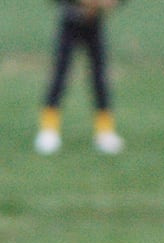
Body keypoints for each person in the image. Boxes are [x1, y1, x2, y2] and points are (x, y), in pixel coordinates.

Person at [35, 0, 127, 155]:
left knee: (100, 77)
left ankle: (105, 132)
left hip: (94, 23)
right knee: (60, 75)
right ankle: (48, 130)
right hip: (70, 22)